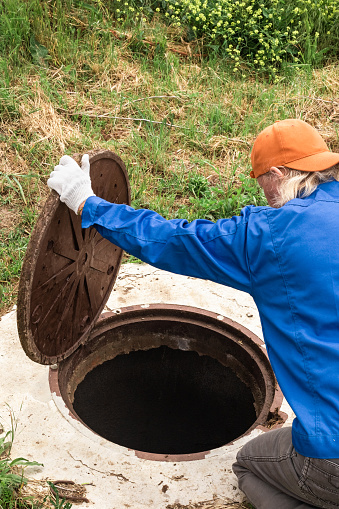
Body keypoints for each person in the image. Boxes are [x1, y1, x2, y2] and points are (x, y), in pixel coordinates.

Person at [48, 119, 339, 509]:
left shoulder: (269, 237)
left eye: (261, 181)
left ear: (278, 174)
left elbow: (174, 240)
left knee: (250, 467)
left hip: (331, 452)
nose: (264, 194)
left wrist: (88, 203)